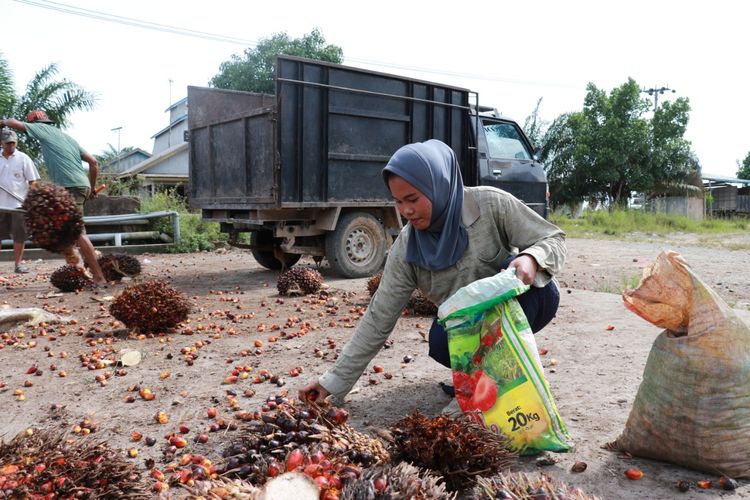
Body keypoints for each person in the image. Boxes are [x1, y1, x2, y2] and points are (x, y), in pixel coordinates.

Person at [299, 139, 565, 406]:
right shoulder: (406, 249)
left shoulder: (491, 205)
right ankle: (482, 379)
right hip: (467, 327)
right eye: (398, 202)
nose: (406, 211)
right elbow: (379, 316)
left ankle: (490, 382)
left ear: (438, 185)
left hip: (516, 309)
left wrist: (531, 258)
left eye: (413, 199)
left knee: (540, 291)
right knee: (439, 341)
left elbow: (553, 239)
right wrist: (332, 382)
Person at [0, 111, 106, 285]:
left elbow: (13, 123)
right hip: (80, 185)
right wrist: (91, 188)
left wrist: (3, 122)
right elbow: (93, 162)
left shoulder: (42, 129)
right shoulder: (67, 138)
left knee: (77, 232)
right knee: (66, 232)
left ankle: (99, 277)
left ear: (36, 122)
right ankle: (77, 273)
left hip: (69, 186)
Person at [0, 128, 40, 273]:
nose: (10, 146)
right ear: (1, 143)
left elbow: (33, 181)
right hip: (0, 205)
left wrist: (30, 199)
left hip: (18, 205)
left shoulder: (23, 158)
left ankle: (18, 264)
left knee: (19, 235)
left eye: (13, 143)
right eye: (7, 143)